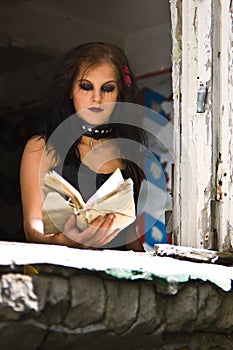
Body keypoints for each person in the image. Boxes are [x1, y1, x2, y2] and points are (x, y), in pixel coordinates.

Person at [20, 42, 147, 251]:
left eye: (107, 88)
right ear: (70, 90)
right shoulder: (42, 147)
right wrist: (64, 241)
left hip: (116, 279)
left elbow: (128, 235)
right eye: (86, 87)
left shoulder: (127, 155)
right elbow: (32, 225)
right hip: (63, 275)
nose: (96, 98)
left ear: (118, 95)